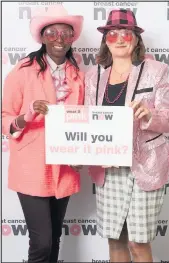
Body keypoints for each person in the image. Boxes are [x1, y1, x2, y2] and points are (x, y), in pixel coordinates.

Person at [85, 9, 169, 263]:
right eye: (112, 33)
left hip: (144, 166)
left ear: (136, 39)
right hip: (110, 168)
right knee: (115, 240)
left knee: (138, 243)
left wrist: (149, 114)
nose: (119, 38)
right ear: (105, 40)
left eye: (126, 33)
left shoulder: (155, 70)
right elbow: (87, 122)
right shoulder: (93, 76)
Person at [2, 5, 84, 263]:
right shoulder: (22, 70)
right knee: (42, 242)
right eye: (52, 33)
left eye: (66, 33)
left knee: (54, 240)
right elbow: (5, 118)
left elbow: (84, 122)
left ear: (72, 38)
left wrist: (84, 151)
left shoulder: (78, 75)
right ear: (42, 37)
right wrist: (27, 116)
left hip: (65, 166)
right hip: (32, 167)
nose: (59, 39)